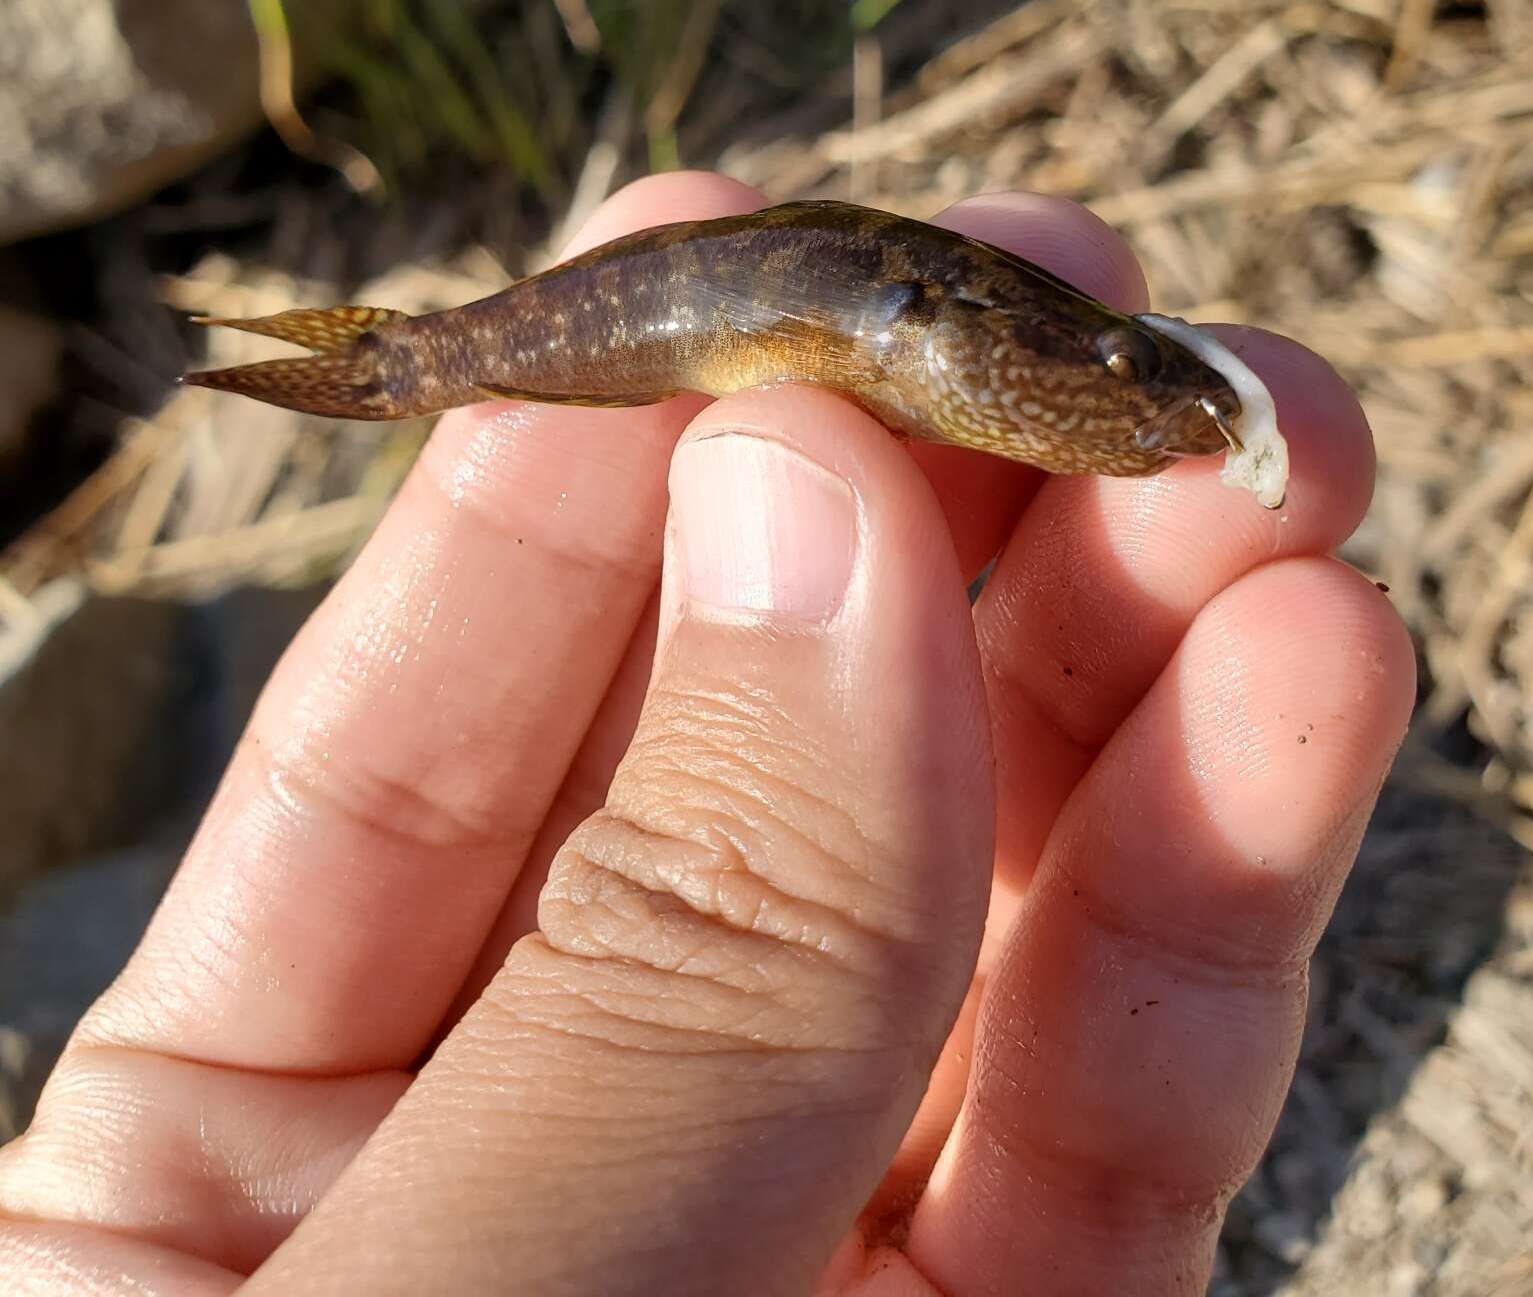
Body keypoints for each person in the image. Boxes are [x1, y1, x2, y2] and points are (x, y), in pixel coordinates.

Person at [0, 175, 1414, 1295]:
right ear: (929, 328)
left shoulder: (957, 343)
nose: (1131, 391)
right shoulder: (929, 336)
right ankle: (387, 368)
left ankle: (389, 366)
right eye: (1107, 364)